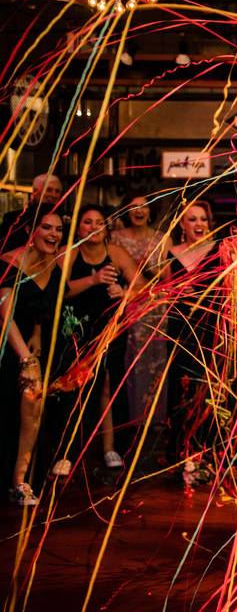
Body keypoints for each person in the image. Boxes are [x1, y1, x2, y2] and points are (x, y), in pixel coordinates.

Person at [52, 205, 145, 475]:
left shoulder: (116, 254)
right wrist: (93, 279)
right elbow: (57, 293)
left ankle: (109, 447)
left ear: (106, 227)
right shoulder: (68, 256)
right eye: (87, 222)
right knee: (73, 387)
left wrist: (124, 290)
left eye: (99, 222)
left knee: (106, 386)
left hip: (109, 329)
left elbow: (142, 285)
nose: (94, 227)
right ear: (78, 228)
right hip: (76, 330)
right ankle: (66, 453)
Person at [0, 205, 64, 505]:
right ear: (30, 231)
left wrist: (37, 335)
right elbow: (5, 315)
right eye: (47, 227)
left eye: (59, 229)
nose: (54, 234)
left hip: (29, 348)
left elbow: (40, 307)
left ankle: (19, 481)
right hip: (7, 347)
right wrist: (26, 359)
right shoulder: (9, 262)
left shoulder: (52, 265)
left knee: (31, 411)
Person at [161, 200, 222, 481]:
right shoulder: (171, 254)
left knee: (205, 389)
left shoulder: (220, 251)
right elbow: (165, 291)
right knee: (181, 388)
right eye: (192, 219)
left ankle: (203, 454)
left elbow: (229, 290)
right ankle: (181, 455)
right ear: (182, 226)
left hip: (209, 330)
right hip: (181, 330)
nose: (199, 224)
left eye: (203, 219)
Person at [112, 192, 169, 426]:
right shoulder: (115, 238)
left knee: (156, 360)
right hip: (126, 305)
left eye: (144, 207)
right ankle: (130, 417)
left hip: (155, 306)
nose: (139, 210)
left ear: (150, 211)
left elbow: (168, 278)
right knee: (129, 359)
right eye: (133, 206)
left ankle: (155, 417)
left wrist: (151, 273)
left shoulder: (161, 238)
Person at [0, 174, 63, 250]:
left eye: (57, 191)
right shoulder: (13, 218)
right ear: (35, 192)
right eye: (48, 190)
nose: (53, 195)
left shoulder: (65, 218)